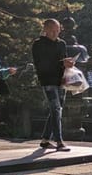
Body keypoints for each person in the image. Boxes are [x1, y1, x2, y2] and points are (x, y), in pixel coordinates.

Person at [32, 19, 74, 151]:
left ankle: (45, 140)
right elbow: (42, 64)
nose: (55, 33)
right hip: (47, 80)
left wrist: (69, 63)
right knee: (56, 109)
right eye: (52, 30)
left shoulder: (62, 44)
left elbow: (64, 59)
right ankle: (59, 141)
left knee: (56, 110)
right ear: (45, 29)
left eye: (57, 30)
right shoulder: (38, 44)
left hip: (61, 80)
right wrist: (61, 63)